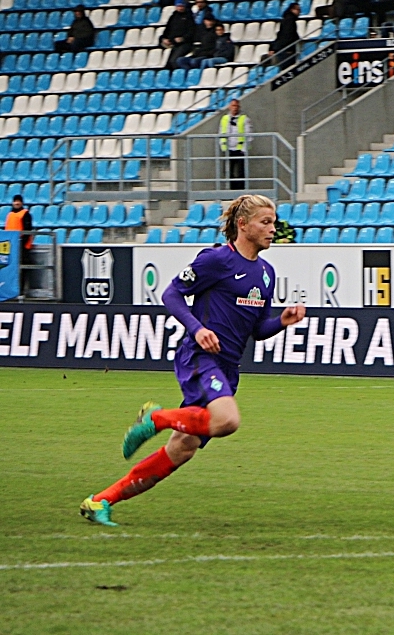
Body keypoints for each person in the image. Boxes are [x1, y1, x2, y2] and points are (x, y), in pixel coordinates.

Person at [80, 195, 307, 527]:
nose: (273, 229)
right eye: (266, 222)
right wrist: (198, 329)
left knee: (181, 450)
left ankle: (100, 501)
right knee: (228, 420)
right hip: (200, 358)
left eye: (273, 222)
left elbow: (257, 330)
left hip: (228, 369)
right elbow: (171, 293)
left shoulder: (266, 274)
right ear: (243, 225)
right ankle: (158, 418)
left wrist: (281, 322)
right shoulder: (216, 260)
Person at [219, 100, 252, 190]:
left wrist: (244, 148)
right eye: (233, 106)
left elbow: (248, 134)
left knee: (241, 171)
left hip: (240, 148)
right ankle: (231, 189)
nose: (235, 108)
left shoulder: (244, 118)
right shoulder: (225, 119)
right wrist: (223, 147)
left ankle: (241, 189)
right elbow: (221, 133)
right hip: (228, 149)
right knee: (229, 171)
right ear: (229, 107)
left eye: (236, 106)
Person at [4, 193, 33, 292]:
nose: (16, 203)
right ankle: (10, 289)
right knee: (11, 269)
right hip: (11, 245)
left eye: (18, 201)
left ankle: (21, 290)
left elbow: (27, 230)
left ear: (21, 203)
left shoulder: (25, 214)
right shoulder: (10, 215)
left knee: (22, 268)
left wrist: (22, 243)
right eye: (15, 201)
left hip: (22, 246)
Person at [161, 0, 196, 69]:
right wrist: (164, 38)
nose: (180, 8)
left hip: (185, 44)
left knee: (174, 61)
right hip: (174, 44)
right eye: (178, 6)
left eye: (182, 6)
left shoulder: (189, 16)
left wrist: (183, 38)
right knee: (168, 64)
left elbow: (192, 31)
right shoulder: (173, 17)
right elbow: (167, 29)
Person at [269, 2, 300, 70]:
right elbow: (287, 34)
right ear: (292, 10)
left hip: (283, 48)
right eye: (298, 10)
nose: (299, 12)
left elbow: (281, 34)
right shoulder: (290, 20)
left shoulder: (285, 19)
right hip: (287, 50)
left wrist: (273, 47)